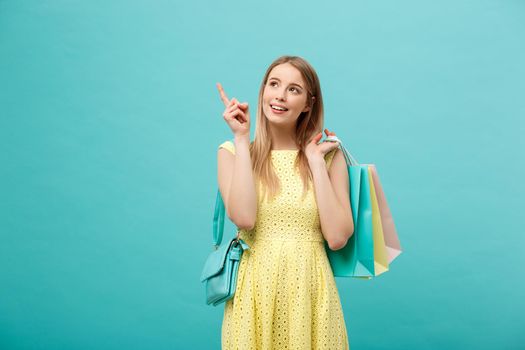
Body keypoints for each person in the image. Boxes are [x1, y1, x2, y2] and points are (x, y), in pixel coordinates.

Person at [216, 55, 354, 349]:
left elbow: (338, 237)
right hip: (255, 294)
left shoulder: (329, 156)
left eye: (294, 89)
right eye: (274, 84)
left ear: (308, 103)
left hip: (311, 293)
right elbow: (244, 219)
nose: (280, 95)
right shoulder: (232, 152)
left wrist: (315, 163)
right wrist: (242, 140)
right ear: (263, 90)